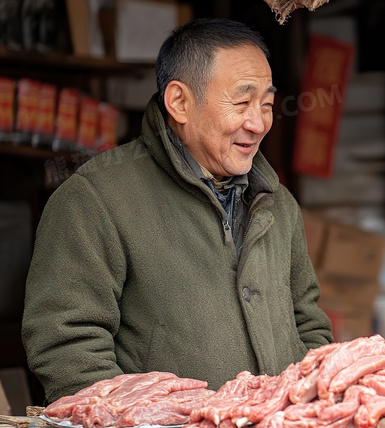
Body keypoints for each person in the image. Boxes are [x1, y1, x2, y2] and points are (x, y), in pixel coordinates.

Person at [22, 18, 333, 403]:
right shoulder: (94, 199)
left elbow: (310, 325)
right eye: (241, 102)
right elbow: (66, 344)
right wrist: (148, 421)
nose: (258, 123)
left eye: (266, 104)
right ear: (179, 102)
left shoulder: (277, 202)